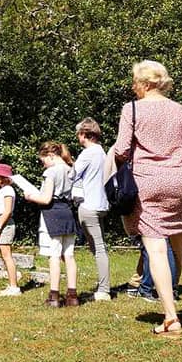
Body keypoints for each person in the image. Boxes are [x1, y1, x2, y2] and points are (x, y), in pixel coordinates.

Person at [113, 60, 182, 336]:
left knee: (156, 250)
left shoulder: (132, 109)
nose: (133, 86)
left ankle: (171, 317)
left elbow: (121, 150)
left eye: (135, 81)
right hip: (179, 182)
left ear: (145, 84)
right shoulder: (180, 110)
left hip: (147, 182)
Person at [23, 142, 78, 308]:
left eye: (44, 160)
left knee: (54, 256)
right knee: (69, 255)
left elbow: (46, 199)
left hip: (52, 214)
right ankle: (72, 296)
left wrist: (30, 196)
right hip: (68, 212)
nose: (43, 165)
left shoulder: (51, 172)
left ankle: (54, 296)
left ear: (51, 156)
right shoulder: (71, 169)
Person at [72, 118, 111, 301]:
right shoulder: (102, 152)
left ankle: (104, 290)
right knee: (99, 247)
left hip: (89, 205)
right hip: (101, 204)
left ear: (84, 134)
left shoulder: (87, 153)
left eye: (78, 134)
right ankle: (103, 286)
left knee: (99, 249)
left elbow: (72, 174)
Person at [0, 163, 20, 296]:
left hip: (4, 224)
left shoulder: (8, 190)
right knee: (4, 255)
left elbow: (7, 211)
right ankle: (11, 284)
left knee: (7, 256)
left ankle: (14, 287)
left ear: (4, 177)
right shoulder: (3, 190)